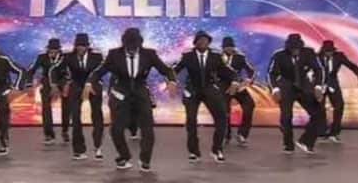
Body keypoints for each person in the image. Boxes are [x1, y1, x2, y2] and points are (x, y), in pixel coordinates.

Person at [83, 28, 177, 172]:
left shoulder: (149, 54)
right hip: (121, 93)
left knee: (147, 128)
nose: (132, 49)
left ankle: (145, 160)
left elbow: (166, 70)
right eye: (129, 46)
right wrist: (89, 83)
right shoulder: (114, 54)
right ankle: (124, 156)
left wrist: (172, 81)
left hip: (141, 93)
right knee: (116, 129)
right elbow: (99, 71)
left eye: (135, 46)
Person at [172, 31, 240, 164]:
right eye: (200, 40)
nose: (203, 42)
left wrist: (235, 81)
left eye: (206, 40)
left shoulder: (216, 56)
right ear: (195, 42)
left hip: (210, 88)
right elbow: (174, 69)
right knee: (191, 120)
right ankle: (193, 152)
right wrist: (171, 81)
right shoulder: (187, 56)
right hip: (192, 89)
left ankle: (217, 149)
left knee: (222, 117)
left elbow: (229, 71)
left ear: (209, 42)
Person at [267, 33, 325, 154]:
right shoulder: (279, 55)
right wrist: (275, 89)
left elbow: (318, 70)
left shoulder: (309, 53)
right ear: (288, 47)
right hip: (286, 86)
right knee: (286, 117)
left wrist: (318, 86)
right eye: (293, 48)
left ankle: (306, 141)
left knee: (319, 113)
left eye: (297, 48)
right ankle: (288, 145)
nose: (295, 51)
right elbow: (271, 74)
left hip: (304, 85)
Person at [60, 33, 104, 160]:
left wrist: (91, 84)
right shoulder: (68, 57)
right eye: (78, 45)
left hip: (93, 86)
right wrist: (65, 83)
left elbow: (100, 71)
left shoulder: (97, 57)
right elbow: (56, 70)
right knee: (75, 117)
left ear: (87, 46)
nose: (80, 48)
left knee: (97, 115)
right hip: (76, 86)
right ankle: (79, 150)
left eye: (83, 46)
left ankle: (98, 146)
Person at [317, 40, 358, 143]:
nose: (329, 53)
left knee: (339, 106)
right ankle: (322, 132)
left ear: (333, 51)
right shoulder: (316, 57)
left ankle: (334, 133)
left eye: (330, 51)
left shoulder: (339, 56)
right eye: (327, 51)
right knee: (319, 108)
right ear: (323, 51)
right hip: (319, 84)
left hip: (333, 84)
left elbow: (352, 66)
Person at [26, 38, 68, 145]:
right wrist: (29, 85)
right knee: (46, 107)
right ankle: (49, 134)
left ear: (59, 50)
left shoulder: (65, 57)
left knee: (67, 106)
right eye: (51, 50)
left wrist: (66, 84)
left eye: (55, 50)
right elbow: (30, 70)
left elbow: (70, 72)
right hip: (47, 82)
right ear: (47, 49)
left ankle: (65, 131)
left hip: (63, 81)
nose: (53, 52)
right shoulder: (42, 57)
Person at [220, 36, 256, 146]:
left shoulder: (240, 57)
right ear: (223, 48)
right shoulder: (217, 57)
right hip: (223, 86)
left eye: (231, 47)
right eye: (227, 47)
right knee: (224, 110)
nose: (230, 49)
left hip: (238, 85)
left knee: (250, 104)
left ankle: (242, 134)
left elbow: (251, 71)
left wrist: (248, 80)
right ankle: (226, 135)